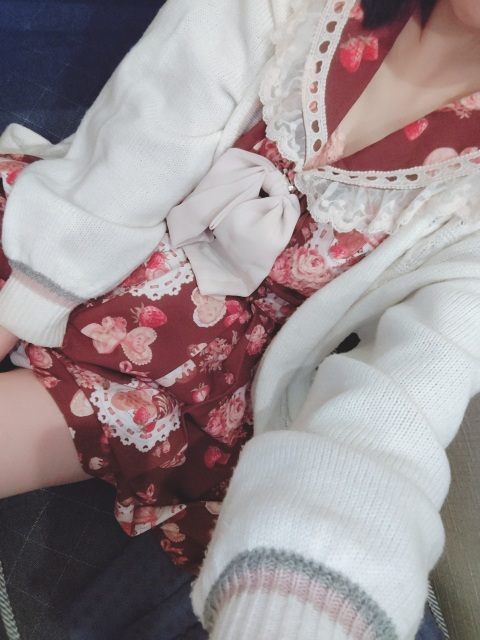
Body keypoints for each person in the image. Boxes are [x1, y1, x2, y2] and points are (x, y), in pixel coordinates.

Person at [0, 0, 479, 637]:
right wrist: (24, 300)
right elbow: (133, 153)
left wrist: (320, 580)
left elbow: (407, 396)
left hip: (199, 367)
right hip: (98, 218)